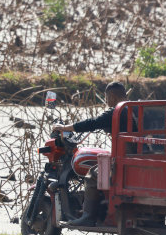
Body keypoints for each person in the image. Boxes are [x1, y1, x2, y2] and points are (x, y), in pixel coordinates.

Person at [52, 81, 128, 226]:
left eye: (106, 98)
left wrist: (65, 127)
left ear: (111, 97)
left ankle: (88, 216)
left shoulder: (117, 111)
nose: (106, 102)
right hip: (134, 156)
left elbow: (93, 122)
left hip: (124, 161)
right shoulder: (133, 108)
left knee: (92, 175)